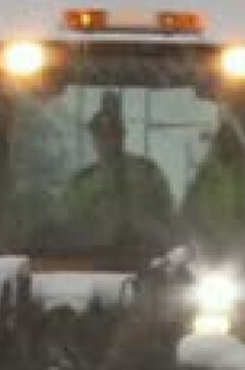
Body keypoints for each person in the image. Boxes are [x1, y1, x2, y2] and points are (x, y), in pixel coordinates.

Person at [61, 91, 178, 256]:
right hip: (90, 261)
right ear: (94, 138)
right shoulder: (82, 183)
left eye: (111, 135)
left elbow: (168, 219)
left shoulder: (147, 173)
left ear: (121, 136)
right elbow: (66, 227)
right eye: (100, 135)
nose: (105, 141)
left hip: (145, 259)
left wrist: (151, 232)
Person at [181, 120, 245, 264]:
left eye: (233, 139)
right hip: (205, 250)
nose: (230, 143)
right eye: (226, 139)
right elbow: (189, 210)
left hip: (232, 254)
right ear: (219, 141)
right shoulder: (204, 173)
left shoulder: (243, 174)